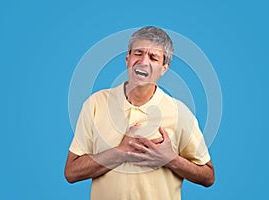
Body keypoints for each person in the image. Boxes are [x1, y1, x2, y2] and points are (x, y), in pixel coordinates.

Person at [64, 26, 215, 200]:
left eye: (153, 57)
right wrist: (119, 153)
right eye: (138, 53)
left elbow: (208, 176)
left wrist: (170, 159)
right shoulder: (95, 104)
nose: (143, 61)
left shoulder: (180, 113)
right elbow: (71, 172)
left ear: (164, 67)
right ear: (127, 59)